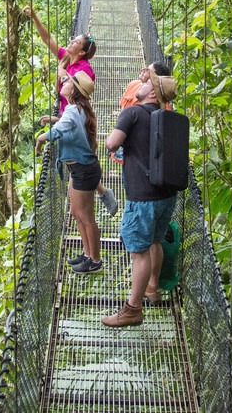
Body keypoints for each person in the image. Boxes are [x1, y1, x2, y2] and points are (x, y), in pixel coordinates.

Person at [101, 69, 179, 326]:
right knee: (155, 240)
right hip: (166, 195)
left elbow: (112, 144)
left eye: (148, 83)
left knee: (139, 253)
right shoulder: (169, 117)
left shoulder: (132, 112)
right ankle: (152, 288)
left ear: (153, 93)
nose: (141, 83)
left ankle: (133, 310)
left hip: (142, 197)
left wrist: (116, 130)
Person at [23, 5, 119, 215]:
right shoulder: (66, 58)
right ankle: (102, 193)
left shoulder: (85, 69)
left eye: (75, 42)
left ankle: (99, 197)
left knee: (81, 163)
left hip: (80, 122)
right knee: (75, 165)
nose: (71, 42)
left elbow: (79, 94)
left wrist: (62, 71)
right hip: (68, 118)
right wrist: (35, 17)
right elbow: (48, 39)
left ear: (83, 51)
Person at [34, 71, 104, 274]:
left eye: (68, 81)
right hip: (80, 167)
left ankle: (95, 260)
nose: (63, 82)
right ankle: (87, 253)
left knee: (86, 216)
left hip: (83, 169)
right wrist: (55, 118)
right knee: (75, 212)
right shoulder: (77, 108)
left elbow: (62, 128)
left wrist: (41, 139)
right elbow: (70, 123)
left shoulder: (73, 110)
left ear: (74, 90)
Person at [112, 59, 172, 165]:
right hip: (124, 143)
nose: (143, 69)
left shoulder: (164, 110)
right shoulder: (133, 85)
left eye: (148, 70)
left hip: (142, 154)